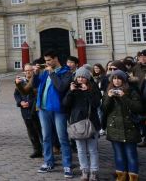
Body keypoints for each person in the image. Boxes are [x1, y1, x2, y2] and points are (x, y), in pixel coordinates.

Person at [34, 49, 74, 178]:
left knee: (62, 138)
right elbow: (36, 85)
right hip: (44, 109)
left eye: (49, 60)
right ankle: (48, 162)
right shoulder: (46, 72)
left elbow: (61, 87)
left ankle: (67, 165)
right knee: (46, 137)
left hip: (58, 110)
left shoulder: (66, 72)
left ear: (55, 59)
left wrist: (52, 73)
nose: (47, 63)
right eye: (45, 61)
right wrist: (35, 74)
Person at [62, 67, 102, 181]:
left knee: (92, 149)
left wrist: (88, 92)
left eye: (83, 77)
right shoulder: (73, 89)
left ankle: (94, 171)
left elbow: (96, 104)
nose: (80, 79)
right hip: (77, 123)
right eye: (78, 77)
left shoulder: (93, 88)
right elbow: (65, 104)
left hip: (92, 123)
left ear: (87, 78)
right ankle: (84, 170)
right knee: (80, 149)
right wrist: (70, 91)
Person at [103, 69, 142, 181]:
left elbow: (138, 108)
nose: (116, 81)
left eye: (119, 78)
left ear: (124, 80)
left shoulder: (131, 91)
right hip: (114, 128)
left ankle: (133, 178)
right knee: (119, 156)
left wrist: (124, 96)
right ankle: (121, 177)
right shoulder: (108, 90)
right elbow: (104, 109)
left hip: (130, 128)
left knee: (131, 155)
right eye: (114, 78)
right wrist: (109, 98)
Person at [14, 63, 42, 158]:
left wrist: (29, 103)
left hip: (35, 110)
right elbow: (16, 94)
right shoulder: (21, 81)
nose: (27, 72)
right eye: (26, 71)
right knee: (31, 131)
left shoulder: (36, 81)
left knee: (40, 130)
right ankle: (36, 149)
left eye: (29, 70)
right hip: (24, 110)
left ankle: (46, 149)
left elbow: (38, 95)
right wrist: (20, 102)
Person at [131, 50, 146, 147]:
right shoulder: (136, 67)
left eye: (145, 56)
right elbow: (131, 77)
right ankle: (145, 137)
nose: (143, 58)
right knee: (142, 119)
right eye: (141, 57)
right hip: (139, 96)